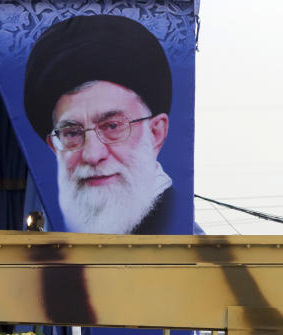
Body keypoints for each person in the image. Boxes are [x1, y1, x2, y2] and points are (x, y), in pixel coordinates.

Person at [23, 15, 176, 234]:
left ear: (156, 133)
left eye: (112, 126)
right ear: (53, 146)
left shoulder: (176, 227)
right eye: (72, 133)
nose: (93, 155)